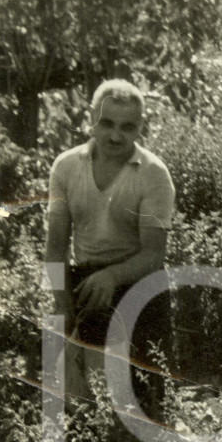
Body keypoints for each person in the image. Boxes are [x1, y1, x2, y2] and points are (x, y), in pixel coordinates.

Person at [44, 78, 175, 420]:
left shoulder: (153, 174)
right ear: (90, 119)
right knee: (76, 402)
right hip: (86, 282)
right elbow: (55, 248)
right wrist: (62, 304)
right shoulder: (66, 167)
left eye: (127, 127)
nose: (115, 136)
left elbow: (154, 254)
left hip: (138, 281)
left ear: (141, 127)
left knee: (144, 404)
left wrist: (113, 276)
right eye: (106, 123)